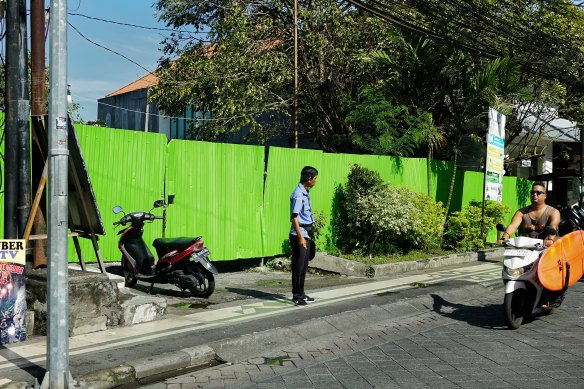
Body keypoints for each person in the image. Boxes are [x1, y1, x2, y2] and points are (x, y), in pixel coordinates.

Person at [497, 182, 560, 247]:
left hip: (546, 249)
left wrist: (550, 239)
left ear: (545, 196)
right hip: (526, 249)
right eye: (532, 192)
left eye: (538, 193)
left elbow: (553, 227)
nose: (534, 194)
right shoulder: (521, 212)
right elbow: (512, 226)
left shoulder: (553, 212)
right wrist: (503, 238)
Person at [289, 166, 318, 306]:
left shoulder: (305, 192)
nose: (316, 181)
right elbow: (294, 218)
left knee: (304, 266)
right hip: (299, 235)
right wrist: (301, 238)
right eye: (315, 178)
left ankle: (302, 293)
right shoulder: (298, 194)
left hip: (306, 234)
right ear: (309, 179)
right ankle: (296, 295)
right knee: (298, 266)